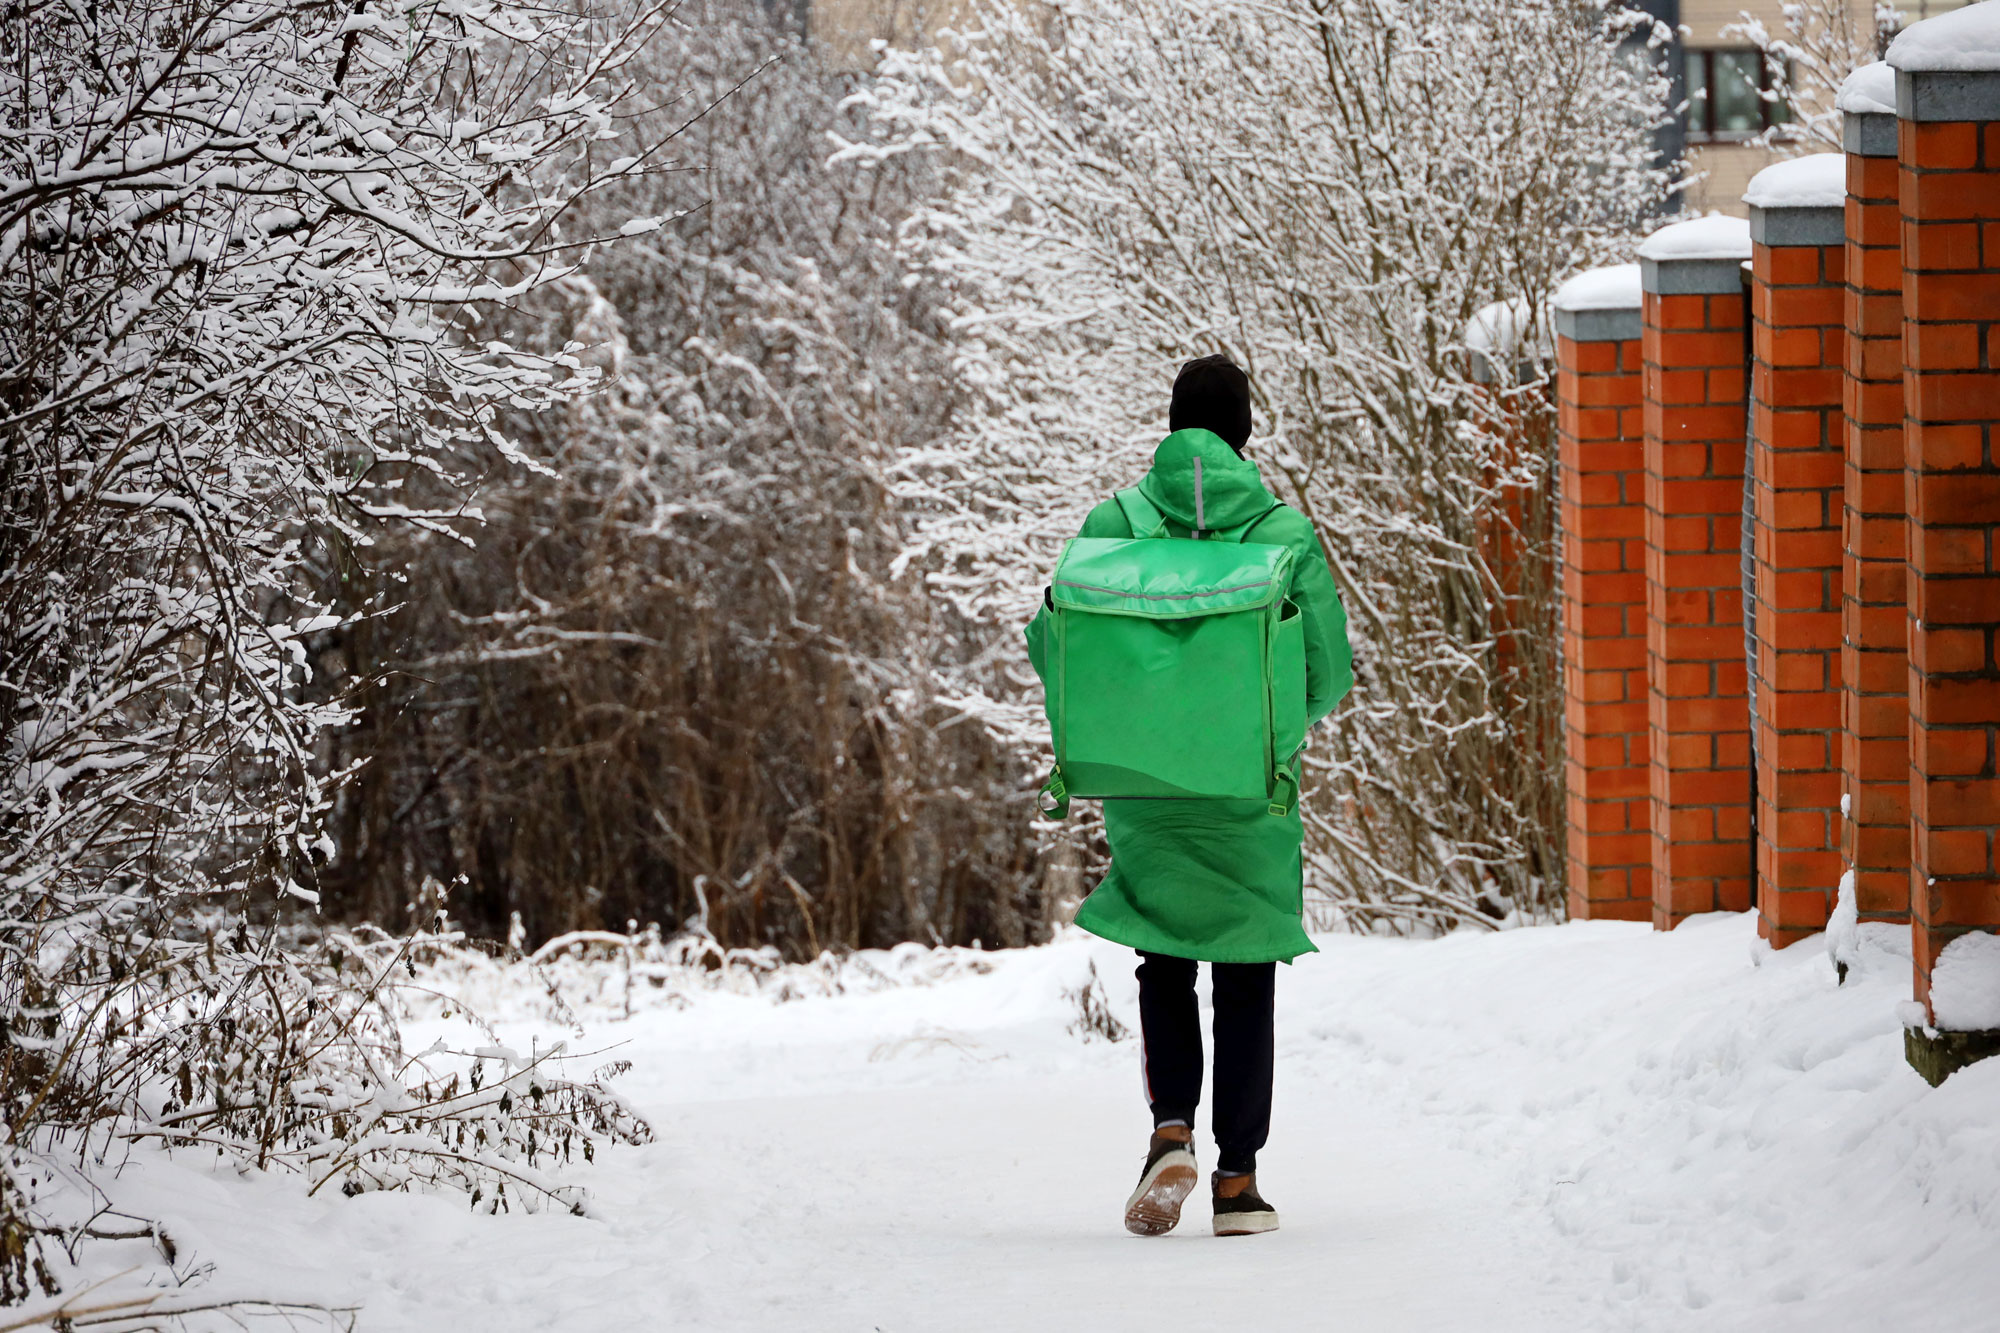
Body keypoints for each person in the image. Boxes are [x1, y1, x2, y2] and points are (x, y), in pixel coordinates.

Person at [1061, 354, 1352, 1237]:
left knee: (1164, 960)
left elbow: (1065, 642)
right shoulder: (1282, 532)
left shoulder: (1113, 522)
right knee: (1246, 970)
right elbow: (1328, 674)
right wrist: (1262, 729)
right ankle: (1237, 1182)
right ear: (1245, 431)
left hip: (1147, 788)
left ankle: (1170, 1130)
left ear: (1171, 425)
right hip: (1250, 788)